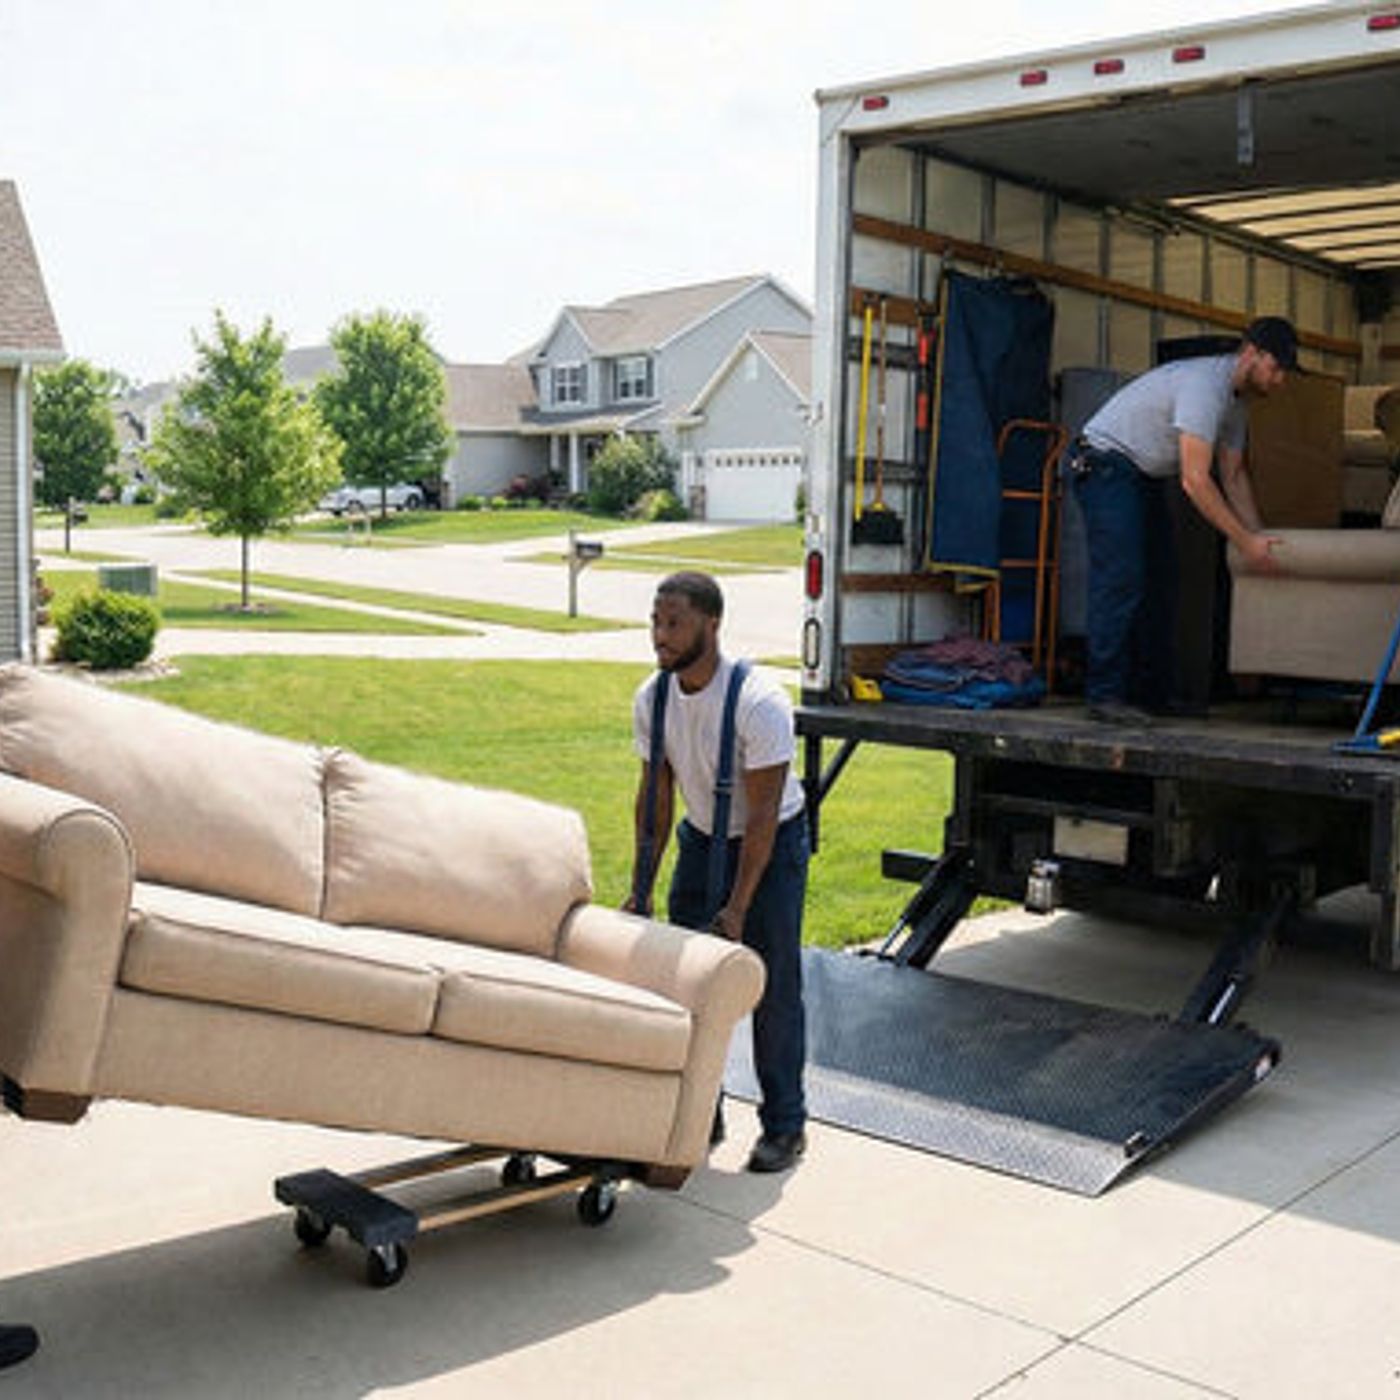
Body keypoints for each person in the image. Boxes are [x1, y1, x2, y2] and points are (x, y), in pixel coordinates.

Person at [625, 571, 809, 1173]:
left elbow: (762, 819)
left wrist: (736, 908)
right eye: (656, 622)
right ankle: (705, 1111)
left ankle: (785, 1125)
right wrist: (641, 890)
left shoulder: (760, 703)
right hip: (702, 838)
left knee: (771, 984)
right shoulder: (653, 698)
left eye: (675, 623)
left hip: (771, 845)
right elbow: (655, 798)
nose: (661, 636)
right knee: (687, 983)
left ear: (712, 624)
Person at [1072, 316, 1298, 725]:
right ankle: (1104, 694)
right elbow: (1195, 481)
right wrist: (1244, 543)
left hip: (1139, 473)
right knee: (1122, 577)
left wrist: (1259, 538)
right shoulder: (1205, 389)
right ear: (1251, 353)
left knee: (1163, 580)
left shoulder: (1236, 406)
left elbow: (1233, 476)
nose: (1280, 380)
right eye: (1276, 368)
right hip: (1105, 463)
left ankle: (1152, 695)